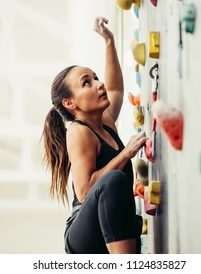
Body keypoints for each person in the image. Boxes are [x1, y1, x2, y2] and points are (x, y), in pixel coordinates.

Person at [42, 17, 148, 254]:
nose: (98, 84)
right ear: (70, 102)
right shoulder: (78, 132)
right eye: (87, 83)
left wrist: (109, 41)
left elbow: (116, 89)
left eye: (96, 78)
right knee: (113, 180)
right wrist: (126, 154)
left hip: (106, 228)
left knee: (115, 180)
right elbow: (85, 190)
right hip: (83, 237)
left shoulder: (105, 119)